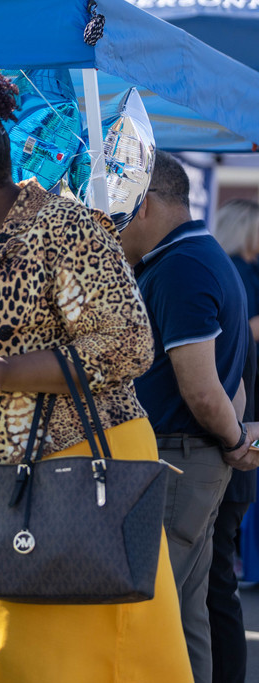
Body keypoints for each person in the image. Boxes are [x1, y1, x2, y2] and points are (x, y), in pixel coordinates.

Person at [0, 53, 191, 682]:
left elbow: (129, 345)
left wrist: (3, 373)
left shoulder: (63, 226)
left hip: (64, 474)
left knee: (41, 662)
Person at [123, 163, 259, 683]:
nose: (112, 222)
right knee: (185, 613)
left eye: (121, 207)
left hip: (177, 460)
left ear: (147, 203)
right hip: (188, 459)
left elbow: (203, 387)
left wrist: (232, 439)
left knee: (152, 614)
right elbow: (233, 376)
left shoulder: (183, 264)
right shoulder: (203, 256)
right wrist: (234, 436)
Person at [209, 198, 259, 683]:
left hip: (235, 442)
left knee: (214, 581)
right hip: (238, 439)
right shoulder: (236, 277)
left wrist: (233, 436)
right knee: (215, 581)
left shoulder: (229, 278)